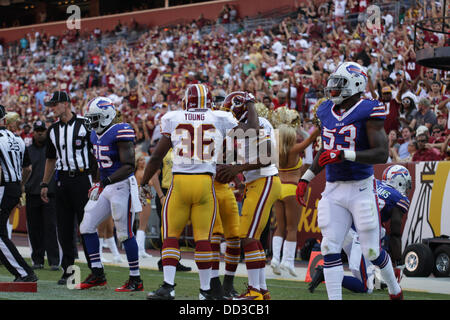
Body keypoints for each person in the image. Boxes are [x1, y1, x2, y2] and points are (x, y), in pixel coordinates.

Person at [296, 61, 404, 300]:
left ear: (356, 84)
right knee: (329, 247)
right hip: (333, 189)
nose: (333, 88)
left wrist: (344, 154)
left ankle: (395, 291)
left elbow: (381, 153)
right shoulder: (325, 111)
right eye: (333, 83)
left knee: (373, 251)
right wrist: (306, 178)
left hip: (361, 189)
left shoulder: (369, 109)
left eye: (339, 83)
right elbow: (326, 150)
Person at [140, 85, 259, 300]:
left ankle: (168, 286)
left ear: (186, 101)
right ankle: (205, 291)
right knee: (203, 238)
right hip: (205, 183)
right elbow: (253, 130)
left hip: (180, 183)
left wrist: (144, 183)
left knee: (171, 236)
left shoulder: (173, 117)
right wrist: (249, 101)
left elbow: (157, 157)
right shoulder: (220, 117)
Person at [215, 91, 282, 300]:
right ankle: (261, 290)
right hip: (257, 182)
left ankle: (254, 291)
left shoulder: (258, 123)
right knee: (253, 238)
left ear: (241, 106)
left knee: (248, 237)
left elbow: (268, 156)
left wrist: (236, 169)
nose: (229, 114)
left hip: (265, 180)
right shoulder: (247, 124)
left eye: (231, 109)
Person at [309, 165, 412, 294]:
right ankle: (326, 273)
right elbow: (395, 233)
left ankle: (378, 280)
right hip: (360, 235)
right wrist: (399, 263)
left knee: (381, 233)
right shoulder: (398, 198)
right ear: (400, 181)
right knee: (366, 287)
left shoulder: (375, 182)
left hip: (347, 230)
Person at [76, 97, 144, 292]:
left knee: (124, 233)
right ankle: (97, 274)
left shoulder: (120, 131)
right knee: (87, 225)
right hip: (106, 186)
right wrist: (98, 183)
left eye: (95, 117)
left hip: (122, 185)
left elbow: (129, 165)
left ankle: (135, 279)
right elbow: (100, 164)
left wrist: (103, 183)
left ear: (106, 116)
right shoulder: (94, 135)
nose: (91, 122)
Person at [40, 91, 95, 285]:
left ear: (66, 104)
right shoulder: (53, 129)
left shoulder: (84, 124)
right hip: (62, 180)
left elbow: (96, 152)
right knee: (64, 228)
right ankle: (70, 272)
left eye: (55, 104)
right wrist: (45, 183)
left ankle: (95, 270)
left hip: (82, 178)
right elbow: (51, 159)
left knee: (87, 225)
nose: (52, 108)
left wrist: (97, 181)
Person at [270, 107, 320, 277]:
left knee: (279, 227)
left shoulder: (276, 152)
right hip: (292, 188)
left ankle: (275, 259)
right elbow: (311, 138)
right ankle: (288, 262)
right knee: (292, 228)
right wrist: (316, 126)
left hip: (278, 188)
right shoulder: (294, 149)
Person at [0, 104, 37, 282]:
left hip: (3, 187)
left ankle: (24, 272)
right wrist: (19, 186)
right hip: (14, 186)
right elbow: (28, 169)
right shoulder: (18, 139)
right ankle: (23, 271)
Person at [23, 120, 60, 271]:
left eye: (42, 130)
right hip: (32, 194)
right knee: (34, 229)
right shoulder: (28, 150)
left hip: (50, 194)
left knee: (50, 228)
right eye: (37, 130)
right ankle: (37, 260)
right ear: (34, 132)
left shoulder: (52, 150)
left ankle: (54, 261)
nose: (39, 132)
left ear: (47, 132)